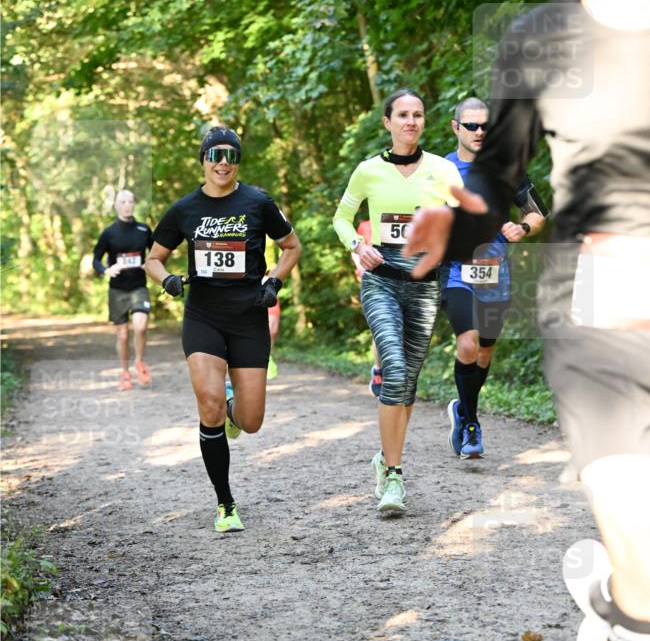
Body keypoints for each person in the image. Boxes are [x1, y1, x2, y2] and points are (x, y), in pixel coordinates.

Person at [405, 0, 650, 641]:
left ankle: (621, 626)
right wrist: (456, 211)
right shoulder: (538, 40)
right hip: (599, 325)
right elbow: (500, 177)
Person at [145, 127, 302, 534]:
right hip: (204, 316)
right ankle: (225, 503)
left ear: (237, 162)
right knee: (209, 404)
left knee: (251, 422)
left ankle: (234, 411)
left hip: (249, 317)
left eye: (231, 155)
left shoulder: (257, 202)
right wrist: (167, 281)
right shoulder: (184, 209)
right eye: (215, 155)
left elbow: (292, 247)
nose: (223, 162)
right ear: (203, 159)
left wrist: (274, 282)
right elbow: (154, 259)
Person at [333, 89, 462, 517]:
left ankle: (383, 458)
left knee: (407, 383)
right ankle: (393, 476)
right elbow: (341, 217)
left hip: (423, 284)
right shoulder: (368, 171)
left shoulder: (443, 170)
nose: (411, 121)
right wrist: (357, 245)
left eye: (418, 115)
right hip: (381, 279)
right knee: (393, 368)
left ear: (424, 122)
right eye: (402, 115)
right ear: (387, 122)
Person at [441, 97, 546, 459]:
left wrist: (522, 227)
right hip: (455, 271)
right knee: (467, 344)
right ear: (456, 128)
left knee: (484, 351)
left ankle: (462, 408)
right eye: (471, 125)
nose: (479, 132)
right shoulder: (440, 169)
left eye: (486, 126)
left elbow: (538, 212)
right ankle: (471, 424)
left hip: (495, 273)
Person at [92, 189, 153, 391]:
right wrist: (106, 270)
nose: (127, 205)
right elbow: (96, 260)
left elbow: (156, 254)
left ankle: (140, 362)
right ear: (116, 205)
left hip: (139, 287)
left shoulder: (144, 230)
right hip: (117, 290)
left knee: (141, 326)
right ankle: (125, 372)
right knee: (123, 336)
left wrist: (150, 264)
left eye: (130, 201)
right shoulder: (109, 233)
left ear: (134, 204)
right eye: (123, 201)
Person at [351, 218, 383, 397]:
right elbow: (355, 248)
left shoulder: (407, 217)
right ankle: (378, 370)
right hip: (372, 281)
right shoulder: (365, 225)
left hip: (402, 281)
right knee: (379, 328)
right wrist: (361, 268)